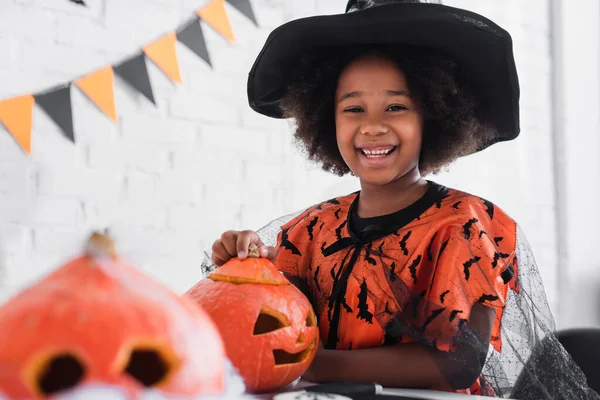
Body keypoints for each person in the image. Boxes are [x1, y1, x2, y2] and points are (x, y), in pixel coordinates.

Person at [202, 1, 599, 398]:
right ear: (326, 119)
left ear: (434, 116)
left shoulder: (465, 226)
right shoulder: (311, 230)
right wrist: (246, 268)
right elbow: (273, 319)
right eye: (353, 108)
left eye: (396, 107)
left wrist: (314, 362)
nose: (373, 125)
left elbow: (459, 363)